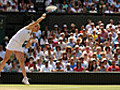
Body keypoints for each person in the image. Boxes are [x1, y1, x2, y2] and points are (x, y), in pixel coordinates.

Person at [0, 13, 46, 85]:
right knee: (5, 59)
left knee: (21, 61)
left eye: (38, 28)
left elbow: (27, 46)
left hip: (19, 45)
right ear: (34, 26)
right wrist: (42, 18)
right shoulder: (28, 27)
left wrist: (31, 41)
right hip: (13, 42)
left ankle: (25, 78)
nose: (37, 29)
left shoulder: (31, 36)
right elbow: (36, 22)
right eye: (37, 27)